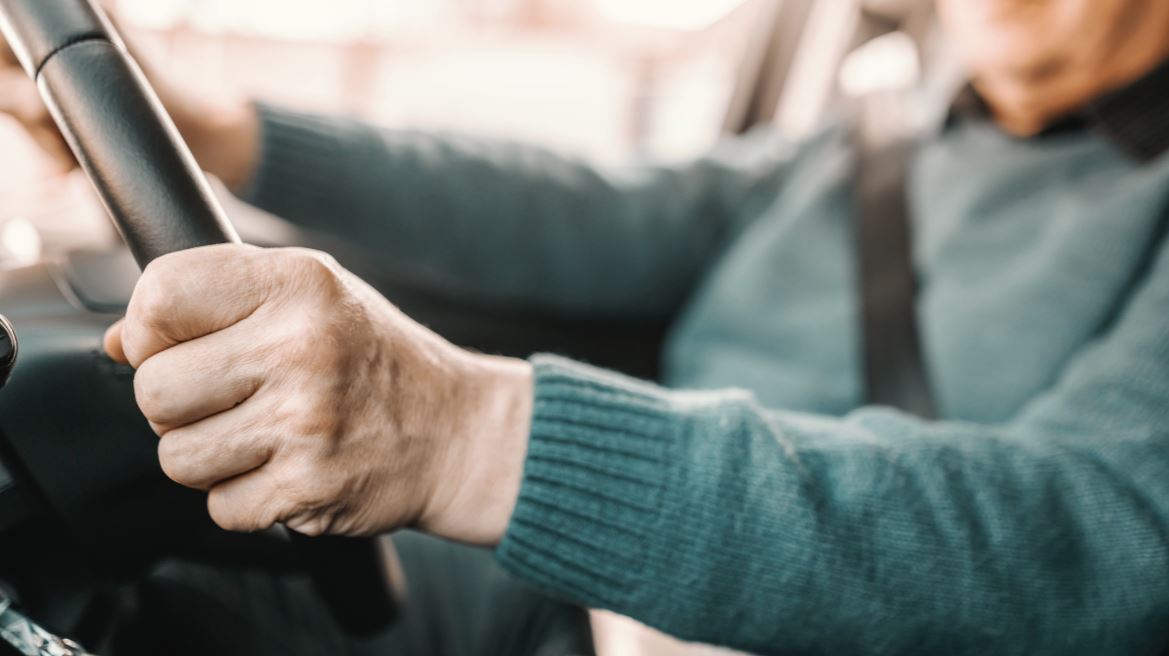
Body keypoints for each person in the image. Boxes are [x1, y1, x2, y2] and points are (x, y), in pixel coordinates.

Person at [4, 0, 1169, 653]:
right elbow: (575, 212)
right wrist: (228, 133)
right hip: (567, 588)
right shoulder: (865, 140)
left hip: (804, 624)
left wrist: (461, 435)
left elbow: (1096, 524)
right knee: (82, 505)